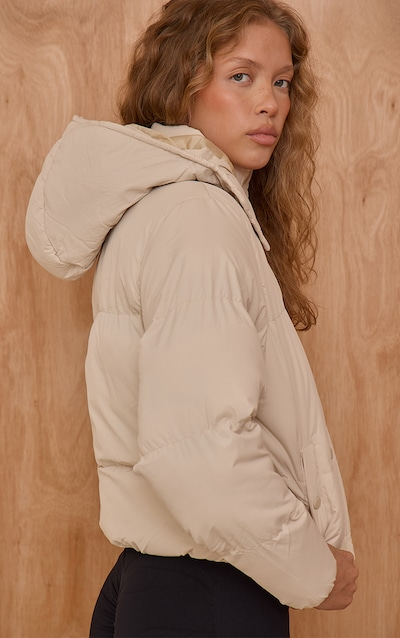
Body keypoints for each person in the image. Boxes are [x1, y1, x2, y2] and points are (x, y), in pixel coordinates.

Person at [25, 0, 358, 636]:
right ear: (182, 82)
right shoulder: (195, 219)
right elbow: (201, 450)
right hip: (207, 591)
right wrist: (315, 571)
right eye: (241, 76)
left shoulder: (164, 210)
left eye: (281, 81)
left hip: (163, 582)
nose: (270, 103)